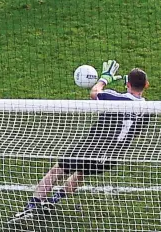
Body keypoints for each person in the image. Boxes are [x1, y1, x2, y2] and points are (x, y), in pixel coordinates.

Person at [12, 61, 150, 222]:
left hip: (89, 149)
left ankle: (31, 207)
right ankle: (54, 200)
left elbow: (95, 92)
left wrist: (105, 79)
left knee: (56, 171)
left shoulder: (116, 98)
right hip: (110, 158)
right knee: (81, 172)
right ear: (146, 85)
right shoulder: (148, 110)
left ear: (127, 84)